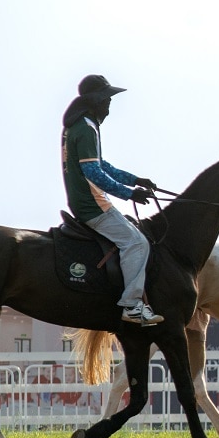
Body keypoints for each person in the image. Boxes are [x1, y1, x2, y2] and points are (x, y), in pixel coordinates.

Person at [60, 75, 163, 325]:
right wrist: (130, 194)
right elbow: (93, 173)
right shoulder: (86, 127)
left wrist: (134, 179)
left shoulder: (78, 125)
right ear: (94, 100)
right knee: (137, 243)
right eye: (106, 99)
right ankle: (132, 305)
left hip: (84, 200)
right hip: (92, 204)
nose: (109, 104)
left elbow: (101, 165)